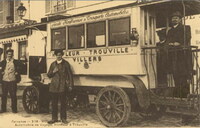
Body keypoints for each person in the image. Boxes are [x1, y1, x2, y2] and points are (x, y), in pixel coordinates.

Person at [165, 11, 192, 97]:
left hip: (182, 55)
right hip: (173, 56)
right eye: (173, 18)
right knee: (175, 75)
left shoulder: (186, 28)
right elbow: (167, 41)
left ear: (180, 19)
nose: (174, 20)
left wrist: (179, 43)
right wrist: (171, 44)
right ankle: (178, 97)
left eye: (176, 18)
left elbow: (187, 37)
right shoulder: (170, 31)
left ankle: (185, 96)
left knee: (184, 76)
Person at [47, 49, 73, 124]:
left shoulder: (66, 64)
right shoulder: (53, 64)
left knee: (63, 103)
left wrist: (70, 85)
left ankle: (63, 118)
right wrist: (53, 71)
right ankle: (54, 118)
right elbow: (49, 75)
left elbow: (70, 75)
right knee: (54, 103)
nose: (59, 56)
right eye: (57, 55)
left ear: (62, 55)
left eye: (60, 55)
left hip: (62, 86)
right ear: (55, 56)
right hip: (54, 86)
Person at [0, 49, 21, 113]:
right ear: (6, 55)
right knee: (4, 95)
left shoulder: (16, 62)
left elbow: (22, 68)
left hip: (13, 81)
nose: (10, 56)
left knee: (13, 95)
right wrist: (1, 72)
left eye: (11, 55)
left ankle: (14, 109)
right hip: (5, 81)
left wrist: (17, 72)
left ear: (12, 55)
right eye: (9, 54)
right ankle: (3, 109)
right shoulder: (2, 62)